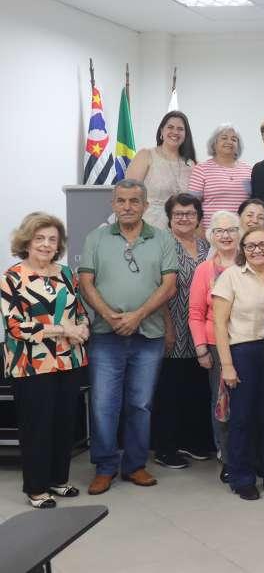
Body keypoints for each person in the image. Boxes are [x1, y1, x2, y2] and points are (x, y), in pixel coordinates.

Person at [78, 179, 178, 495]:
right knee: (103, 404)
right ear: (113, 204)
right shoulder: (96, 238)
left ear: (145, 205)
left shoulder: (162, 238)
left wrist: (137, 316)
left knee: (141, 404)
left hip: (148, 334)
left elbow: (169, 286)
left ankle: (135, 465)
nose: (127, 207)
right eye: (121, 201)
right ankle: (105, 467)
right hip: (105, 334)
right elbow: (86, 283)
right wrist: (110, 315)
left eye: (134, 201)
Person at [2, 213, 89, 508]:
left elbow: (79, 311)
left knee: (64, 424)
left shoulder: (66, 273)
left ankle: (58, 480)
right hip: (31, 364)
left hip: (69, 361)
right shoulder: (12, 277)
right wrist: (64, 330)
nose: (46, 244)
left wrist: (83, 327)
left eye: (52, 239)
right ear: (27, 241)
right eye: (39, 238)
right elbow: (16, 326)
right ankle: (36, 488)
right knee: (36, 427)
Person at [212, 228, 264, 500]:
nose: (257, 250)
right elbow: (219, 324)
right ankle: (242, 477)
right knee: (242, 417)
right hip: (243, 352)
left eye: (263, 244)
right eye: (250, 246)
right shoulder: (231, 276)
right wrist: (227, 365)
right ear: (243, 249)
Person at [152, 194, 213, 470]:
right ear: (169, 218)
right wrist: (168, 327)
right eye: (178, 214)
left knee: (197, 388)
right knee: (171, 390)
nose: (184, 218)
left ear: (198, 217)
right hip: (174, 323)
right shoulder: (162, 246)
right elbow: (159, 289)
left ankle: (192, 441)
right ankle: (165, 448)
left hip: (201, 328)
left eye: (190, 213)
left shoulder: (207, 246)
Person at [188, 210, 241, 484]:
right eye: (219, 231)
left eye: (231, 229)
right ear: (211, 236)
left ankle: (250, 454)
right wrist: (201, 348)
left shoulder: (250, 263)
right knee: (222, 402)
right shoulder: (204, 270)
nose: (226, 235)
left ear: (240, 233)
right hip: (215, 346)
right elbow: (196, 313)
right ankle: (227, 455)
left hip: (248, 343)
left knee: (250, 401)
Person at [125, 111, 197, 229]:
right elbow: (128, 193)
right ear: (162, 131)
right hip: (148, 227)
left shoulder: (190, 164)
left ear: (185, 135)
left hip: (181, 229)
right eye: (170, 127)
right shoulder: (146, 155)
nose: (175, 132)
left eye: (180, 129)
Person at [188, 124, 252, 229]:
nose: (229, 142)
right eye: (224, 138)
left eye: (234, 139)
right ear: (214, 144)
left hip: (240, 232)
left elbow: (252, 203)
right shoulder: (201, 169)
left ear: (238, 146)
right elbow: (191, 205)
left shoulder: (248, 170)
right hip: (211, 232)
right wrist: (198, 230)